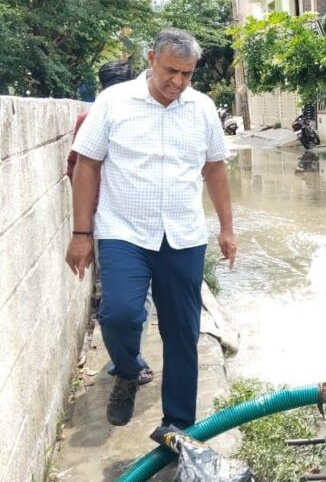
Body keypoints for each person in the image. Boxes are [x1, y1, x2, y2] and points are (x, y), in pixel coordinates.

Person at [65, 28, 237, 429]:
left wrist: (228, 228)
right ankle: (127, 370)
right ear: (150, 59)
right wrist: (80, 233)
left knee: (182, 333)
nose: (177, 82)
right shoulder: (113, 102)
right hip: (124, 232)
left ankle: (177, 425)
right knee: (119, 314)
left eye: (187, 74)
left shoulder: (202, 108)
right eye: (170, 71)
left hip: (183, 236)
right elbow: (86, 164)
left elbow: (215, 168)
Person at [66, 60, 155, 387]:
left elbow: (72, 170)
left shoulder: (86, 118)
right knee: (135, 298)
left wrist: (83, 228)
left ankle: (130, 360)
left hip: (105, 224)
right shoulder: (112, 116)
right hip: (121, 223)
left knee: (122, 298)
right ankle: (132, 361)